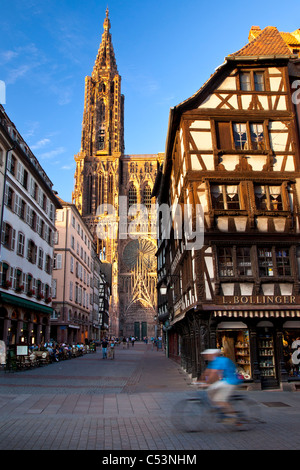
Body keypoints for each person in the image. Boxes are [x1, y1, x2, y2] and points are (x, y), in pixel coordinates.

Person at [197, 349, 241, 423]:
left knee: (219, 399)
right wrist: (199, 381)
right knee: (211, 390)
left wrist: (207, 382)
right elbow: (207, 372)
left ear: (213, 354)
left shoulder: (221, 360)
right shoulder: (213, 362)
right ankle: (218, 407)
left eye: (207, 355)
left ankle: (233, 417)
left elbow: (213, 373)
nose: (206, 356)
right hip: (224, 381)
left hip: (230, 381)